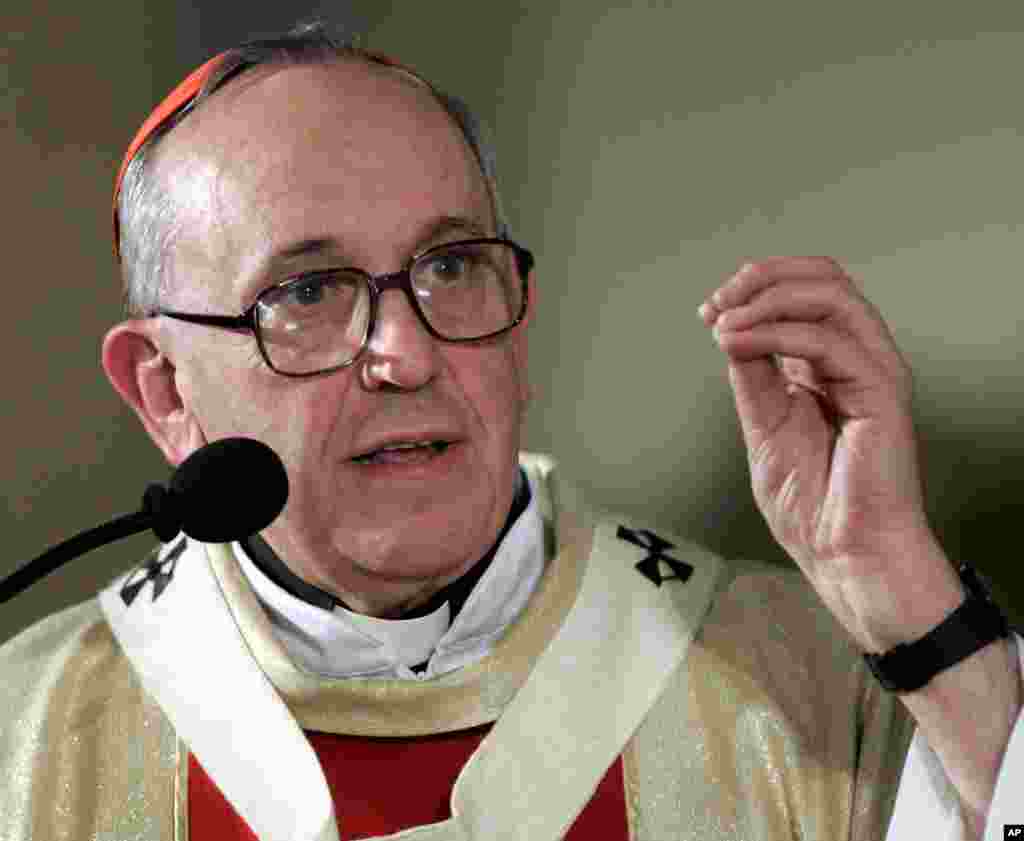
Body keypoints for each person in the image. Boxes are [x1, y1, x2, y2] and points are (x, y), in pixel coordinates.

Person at [2, 20, 1021, 841]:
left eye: (450, 265)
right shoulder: (25, 740)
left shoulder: (816, 687)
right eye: (308, 291)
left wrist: (910, 605)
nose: (403, 351)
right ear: (165, 390)